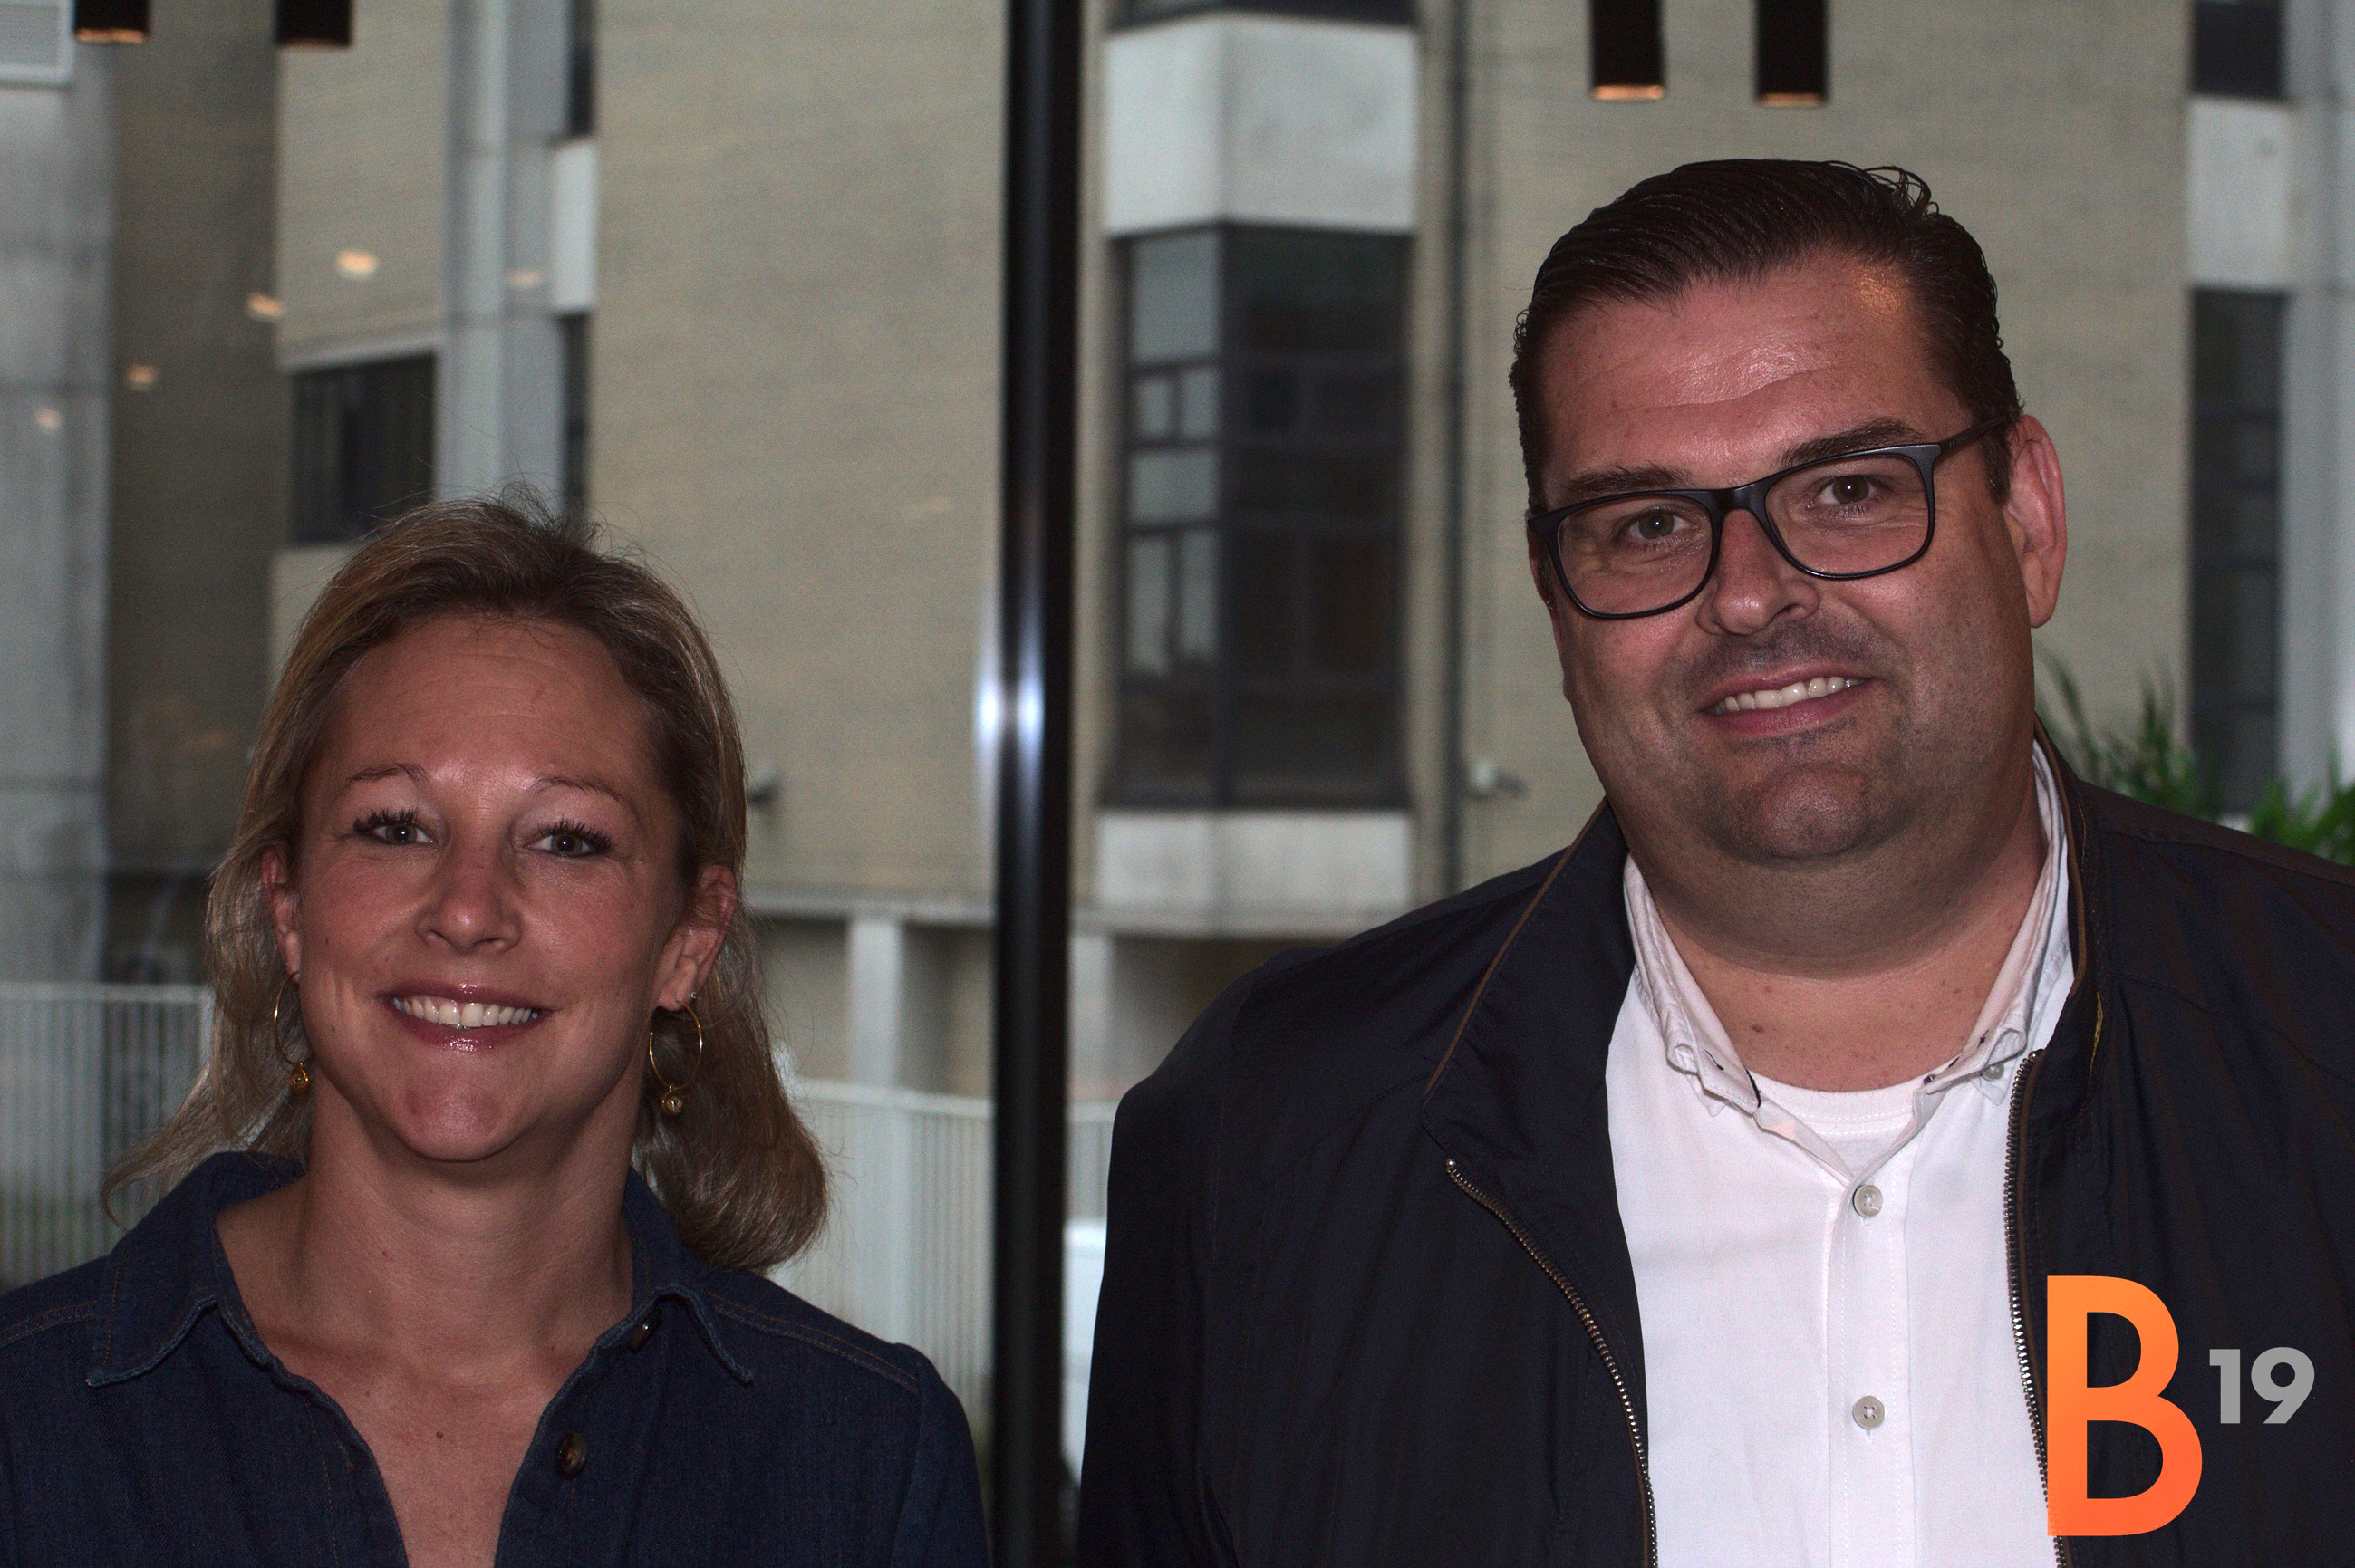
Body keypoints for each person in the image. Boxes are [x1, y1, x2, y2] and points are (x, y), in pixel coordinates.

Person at [1076, 160, 2355, 1566]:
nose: (1747, 592)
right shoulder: (1266, 1139)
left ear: (2027, 520)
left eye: (1848, 488)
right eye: (1643, 524)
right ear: (1556, 604)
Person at [0, 495, 985, 1568]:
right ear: (288, 908)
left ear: (687, 941)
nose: (468, 911)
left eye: (566, 840)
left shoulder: (868, 1465)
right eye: (395, 827)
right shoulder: (24, 1426)